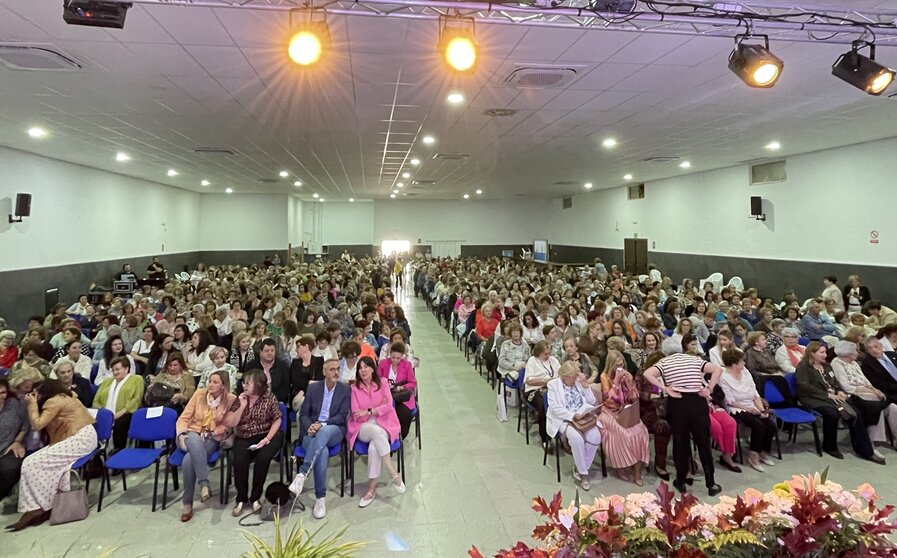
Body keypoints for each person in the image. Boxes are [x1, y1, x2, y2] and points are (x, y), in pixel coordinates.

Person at [7, 380, 97, 531]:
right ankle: (41, 505)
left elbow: (37, 424)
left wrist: (32, 404)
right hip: (83, 436)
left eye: (37, 393)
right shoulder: (65, 396)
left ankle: (39, 507)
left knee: (32, 463)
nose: (36, 396)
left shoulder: (54, 401)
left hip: (79, 439)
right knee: (30, 461)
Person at [642, 353, 724, 496]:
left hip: (677, 401)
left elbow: (647, 373)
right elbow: (718, 369)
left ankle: (680, 481)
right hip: (697, 401)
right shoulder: (695, 360)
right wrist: (709, 388)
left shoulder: (665, 361)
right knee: (704, 443)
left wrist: (664, 388)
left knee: (680, 443)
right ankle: (711, 483)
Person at [795, 341, 883, 464]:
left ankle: (865, 449)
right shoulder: (803, 367)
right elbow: (804, 386)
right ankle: (830, 446)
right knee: (832, 413)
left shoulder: (826, 366)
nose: (825, 355)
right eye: (822, 352)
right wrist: (828, 395)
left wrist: (839, 391)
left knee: (856, 412)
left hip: (832, 396)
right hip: (812, 398)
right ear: (812, 354)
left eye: (825, 352)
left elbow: (835, 383)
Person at [287, 359, 351, 519]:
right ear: (324, 372)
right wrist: (310, 426)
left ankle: (302, 474)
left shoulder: (345, 389)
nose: (336, 372)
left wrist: (321, 425)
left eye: (338, 369)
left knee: (324, 433)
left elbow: (342, 416)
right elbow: (304, 413)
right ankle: (320, 498)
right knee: (321, 452)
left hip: (333, 430)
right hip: (311, 433)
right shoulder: (313, 388)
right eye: (332, 369)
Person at [175, 370, 238, 522]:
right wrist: (181, 433)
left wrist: (219, 430)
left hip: (212, 437)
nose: (211, 384)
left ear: (223, 385)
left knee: (188, 461)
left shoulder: (230, 399)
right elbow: (184, 418)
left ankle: (187, 504)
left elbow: (230, 423)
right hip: (189, 434)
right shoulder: (199, 395)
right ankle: (204, 482)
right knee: (194, 441)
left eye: (215, 382)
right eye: (210, 381)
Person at [347, 356, 404, 508]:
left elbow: (388, 406)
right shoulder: (354, 388)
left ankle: (371, 490)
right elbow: (355, 413)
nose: (363, 370)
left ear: (373, 368)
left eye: (366, 367)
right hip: (362, 427)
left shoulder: (383, 383)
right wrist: (374, 411)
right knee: (374, 432)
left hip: (384, 424)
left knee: (374, 446)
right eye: (360, 368)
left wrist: (369, 411)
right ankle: (392, 471)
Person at [229, 370, 284, 516]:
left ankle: (255, 498)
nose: (244, 385)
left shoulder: (269, 398)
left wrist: (267, 439)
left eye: (248, 383)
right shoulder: (239, 398)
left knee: (263, 459)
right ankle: (241, 498)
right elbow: (230, 422)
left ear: (258, 384)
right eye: (244, 382)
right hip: (244, 435)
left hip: (267, 434)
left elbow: (277, 419)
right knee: (239, 460)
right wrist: (241, 405)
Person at [830, 340, 895, 453]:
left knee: (894, 408)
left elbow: (866, 380)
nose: (858, 352)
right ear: (847, 353)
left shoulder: (854, 363)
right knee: (876, 403)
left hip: (867, 393)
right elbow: (846, 386)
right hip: (852, 395)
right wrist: (870, 392)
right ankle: (872, 442)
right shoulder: (837, 363)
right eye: (855, 350)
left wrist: (875, 390)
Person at [718, 348, 777, 472]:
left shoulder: (745, 372)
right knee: (758, 425)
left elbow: (755, 393)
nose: (744, 363)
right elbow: (730, 400)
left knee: (770, 425)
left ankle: (761, 451)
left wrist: (761, 410)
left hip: (752, 404)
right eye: (741, 362)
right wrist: (748, 409)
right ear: (734, 364)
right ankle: (753, 455)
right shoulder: (724, 377)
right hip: (737, 408)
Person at [546, 361, 602, 491]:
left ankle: (581, 466)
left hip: (583, 417)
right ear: (564, 376)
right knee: (577, 439)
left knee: (596, 437)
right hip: (564, 418)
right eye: (572, 377)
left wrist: (585, 386)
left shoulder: (578, 383)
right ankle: (584, 474)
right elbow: (554, 408)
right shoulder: (553, 385)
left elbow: (592, 402)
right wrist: (572, 416)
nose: (575, 379)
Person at [598, 350, 650, 486]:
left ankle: (637, 471)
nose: (620, 368)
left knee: (641, 432)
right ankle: (621, 466)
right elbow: (609, 399)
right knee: (623, 434)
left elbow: (634, 398)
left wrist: (629, 383)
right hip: (609, 411)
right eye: (617, 365)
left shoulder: (627, 375)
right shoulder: (604, 376)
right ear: (611, 365)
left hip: (627, 410)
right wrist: (616, 381)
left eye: (622, 365)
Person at [633, 351, 671, 480]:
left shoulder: (668, 374)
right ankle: (660, 465)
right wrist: (654, 395)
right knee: (662, 426)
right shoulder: (642, 373)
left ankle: (686, 465)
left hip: (668, 407)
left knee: (685, 422)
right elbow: (637, 393)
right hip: (648, 410)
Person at [93, 356, 144, 450]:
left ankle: (118, 450)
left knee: (121, 423)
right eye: (113, 370)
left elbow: (136, 399)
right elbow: (96, 401)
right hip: (106, 414)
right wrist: (105, 414)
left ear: (126, 368)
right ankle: (98, 453)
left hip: (126, 413)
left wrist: (120, 413)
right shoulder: (107, 382)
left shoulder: (136, 379)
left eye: (117, 369)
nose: (115, 372)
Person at [523, 341, 560, 452]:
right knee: (544, 406)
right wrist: (545, 381)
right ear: (538, 353)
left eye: (549, 353)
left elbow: (561, 374)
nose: (548, 356)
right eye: (545, 354)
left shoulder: (553, 361)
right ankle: (545, 438)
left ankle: (562, 436)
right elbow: (528, 381)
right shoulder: (532, 361)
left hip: (552, 389)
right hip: (534, 391)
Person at [377, 342, 417, 440]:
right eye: (393, 357)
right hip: (385, 396)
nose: (395, 360)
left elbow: (412, 383)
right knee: (385, 414)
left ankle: (400, 437)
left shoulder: (407, 365)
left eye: (398, 358)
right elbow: (376, 380)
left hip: (401, 397)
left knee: (404, 414)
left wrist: (401, 387)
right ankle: (386, 438)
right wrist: (385, 385)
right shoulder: (383, 363)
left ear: (402, 356)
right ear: (390, 354)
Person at [0, 377, 28, 503]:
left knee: (8, 469)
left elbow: (26, 424)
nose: (1, 396)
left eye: (3, 393)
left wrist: (17, 441)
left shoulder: (14, 403)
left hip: (10, 447)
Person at [246, 338, 291, 404]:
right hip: (255, 401)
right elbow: (246, 385)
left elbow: (286, 387)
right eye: (267, 351)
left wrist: (273, 400)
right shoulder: (251, 366)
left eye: (272, 350)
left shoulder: (283, 366)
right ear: (260, 352)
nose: (270, 353)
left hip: (277, 401)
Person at [860, 336, 897, 403]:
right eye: (870, 348)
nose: (874, 350)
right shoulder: (867, 365)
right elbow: (880, 384)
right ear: (867, 351)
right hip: (892, 394)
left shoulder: (892, 354)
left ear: (881, 345)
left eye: (876, 346)